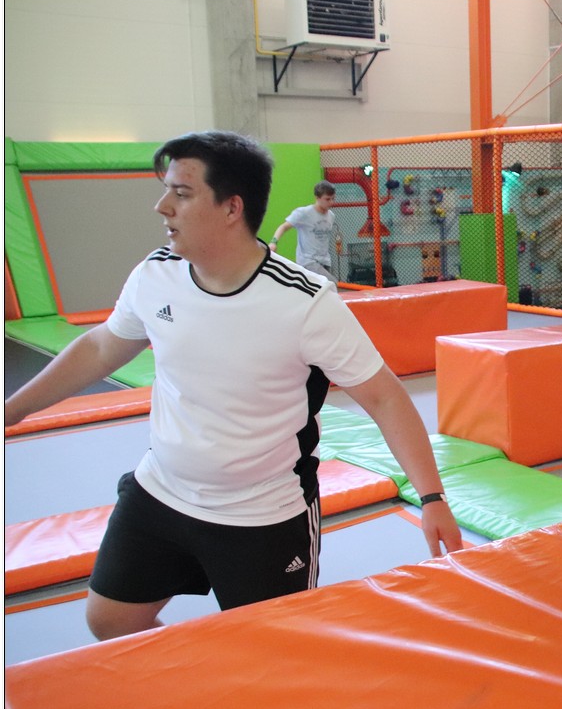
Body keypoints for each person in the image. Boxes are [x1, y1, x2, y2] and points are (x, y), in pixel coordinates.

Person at [4, 131, 462, 641]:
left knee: (270, 648)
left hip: (262, 516)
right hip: (162, 492)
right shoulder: (156, 274)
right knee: (109, 620)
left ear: (231, 208)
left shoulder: (304, 301)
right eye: (166, 190)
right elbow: (101, 347)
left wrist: (431, 497)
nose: (162, 206)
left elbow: (384, 397)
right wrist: (13, 409)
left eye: (181, 193)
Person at [269, 181, 341, 282]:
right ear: (317, 198)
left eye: (333, 199)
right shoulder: (304, 213)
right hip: (308, 261)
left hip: (324, 261)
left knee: (323, 288)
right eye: (327, 199)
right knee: (331, 283)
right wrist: (274, 242)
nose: (331, 202)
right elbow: (284, 227)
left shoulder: (331, 216)